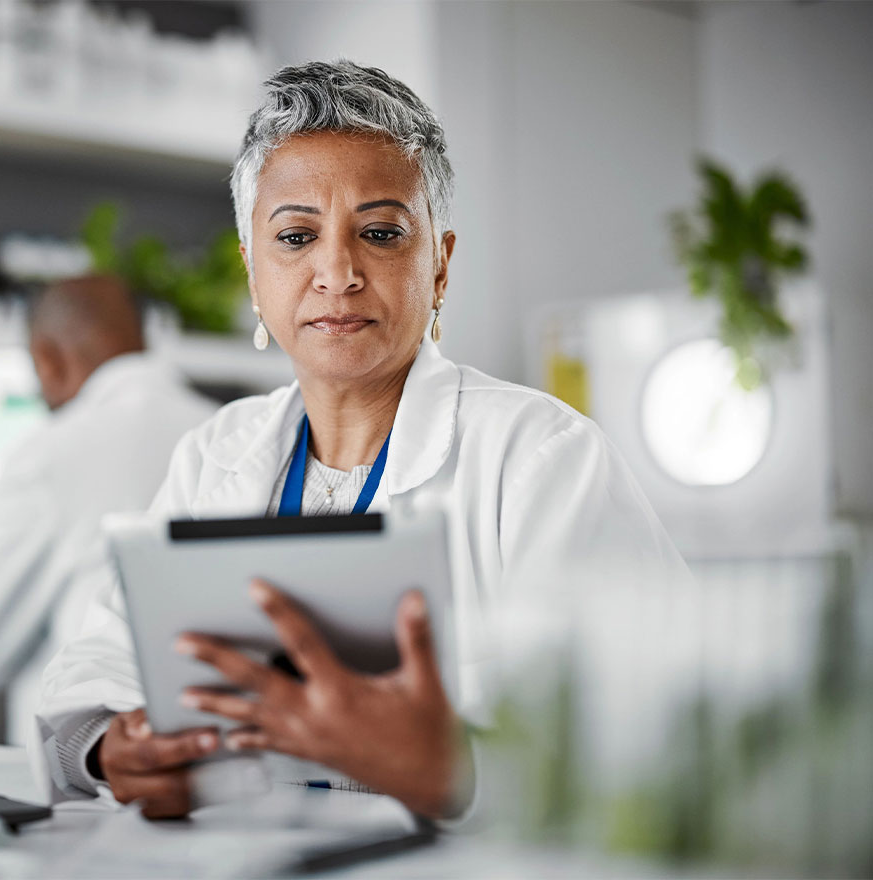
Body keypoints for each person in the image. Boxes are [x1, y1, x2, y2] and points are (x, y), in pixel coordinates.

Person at [34, 61, 689, 820]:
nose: (336, 272)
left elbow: (664, 738)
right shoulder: (216, 454)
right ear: (253, 271)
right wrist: (115, 749)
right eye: (296, 236)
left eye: (379, 233)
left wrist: (455, 767)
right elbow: (92, 672)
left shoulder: (541, 457)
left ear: (439, 267)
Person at [0, 276, 217, 743]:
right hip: (222, 764)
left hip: (90, 778)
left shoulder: (55, 452)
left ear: (46, 358)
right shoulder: (225, 434)